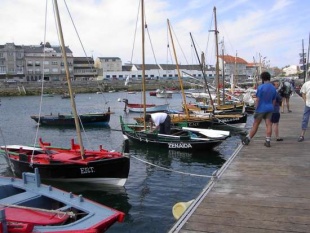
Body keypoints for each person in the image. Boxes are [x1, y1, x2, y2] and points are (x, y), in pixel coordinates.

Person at [242, 71, 277, 147]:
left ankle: (248, 138)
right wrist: (272, 107)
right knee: (269, 125)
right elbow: (274, 100)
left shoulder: (261, 87)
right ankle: (268, 140)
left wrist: (256, 108)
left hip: (261, 108)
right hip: (270, 108)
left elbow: (258, 99)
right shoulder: (273, 88)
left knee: (256, 124)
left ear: (262, 78)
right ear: (269, 78)